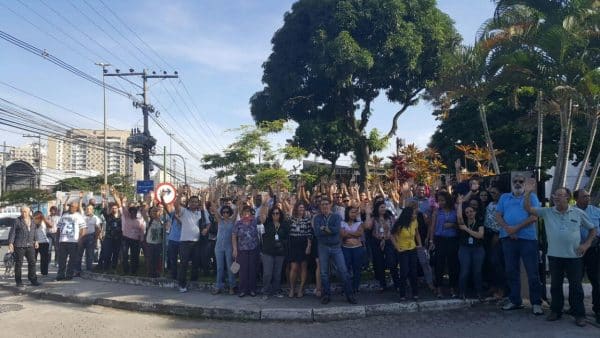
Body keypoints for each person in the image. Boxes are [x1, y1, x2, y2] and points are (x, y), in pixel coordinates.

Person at [524, 184, 596, 327]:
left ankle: (579, 314)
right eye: (555, 195)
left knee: (575, 286)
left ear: (568, 197)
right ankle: (556, 311)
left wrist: (586, 245)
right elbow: (527, 208)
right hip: (555, 256)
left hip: (574, 257)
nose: (556, 197)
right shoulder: (547, 212)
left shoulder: (577, 213)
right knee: (555, 285)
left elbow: (593, 230)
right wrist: (528, 193)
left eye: (560, 195)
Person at [495, 173, 543, 315]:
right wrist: (508, 229)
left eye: (520, 181)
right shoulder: (504, 197)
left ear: (524, 183)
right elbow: (498, 215)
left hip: (527, 239)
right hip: (508, 238)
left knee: (532, 272)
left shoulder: (531, 197)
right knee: (511, 271)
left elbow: (534, 217)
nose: (517, 183)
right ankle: (515, 300)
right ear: (512, 183)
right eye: (515, 181)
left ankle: (536, 303)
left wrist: (515, 228)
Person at [313, 197, 356, 305]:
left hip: (336, 247)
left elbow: (336, 230)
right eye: (322, 204)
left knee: (343, 271)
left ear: (330, 205)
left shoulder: (336, 217)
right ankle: (326, 294)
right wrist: (328, 230)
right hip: (323, 247)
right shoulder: (317, 218)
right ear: (320, 206)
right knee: (324, 272)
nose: (324, 206)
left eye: (326, 204)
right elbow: (317, 232)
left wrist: (325, 229)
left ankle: (349, 295)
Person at [573, 189, 600, 324]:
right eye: (584, 196)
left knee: (597, 281)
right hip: (576, 250)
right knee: (576, 281)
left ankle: (598, 310)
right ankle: (578, 311)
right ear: (576, 198)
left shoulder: (596, 211)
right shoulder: (570, 211)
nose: (588, 198)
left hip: (594, 250)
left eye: (589, 196)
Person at [174, 188, 207, 293]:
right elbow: (176, 205)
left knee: (196, 263)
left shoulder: (199, 213)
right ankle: (181, 284)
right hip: (185, 242)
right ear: (189, 203)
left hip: (196, 242)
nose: (194, 203)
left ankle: (193, 280)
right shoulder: (184, 211)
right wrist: (179, 194)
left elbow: (207, 221)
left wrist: (203, 197)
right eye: (192, 202)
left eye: (196, 202)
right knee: (184, 263)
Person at [365, 200, 399, 292]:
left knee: (392, 262)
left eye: (384, 207)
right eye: (381, 207)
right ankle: (382, 285)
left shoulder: (390, 217)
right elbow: (368, 227)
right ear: (377, 208)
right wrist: (368, 214)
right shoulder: (374, 218)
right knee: (379, 264)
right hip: (376, 242)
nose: (384, 209)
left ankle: (397, 284)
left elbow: (395, 229)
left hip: (388, 241)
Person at [430, 191, 459, 298]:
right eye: (439, 200)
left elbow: (460, 223)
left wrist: (452, 224)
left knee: (453, 265)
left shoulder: (454, 210)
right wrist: (431, 241)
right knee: (439, 265)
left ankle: (452, 288)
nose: (441, 202)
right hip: (440, 240)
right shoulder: (437, 212)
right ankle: (439, 289)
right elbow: (432, 227)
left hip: (452, 240)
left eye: (443, 200)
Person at [456, 195, 485, 300]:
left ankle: (479, 293)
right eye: (467, 212)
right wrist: (460, 203)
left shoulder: (479, 222)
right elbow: (459, 216)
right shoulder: (462, 222)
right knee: (465, 270)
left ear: (475, 212)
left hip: (478, 249)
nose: (469, 213)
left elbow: (480, 235)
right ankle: (462, 292)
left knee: (477, 271)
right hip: (464, 249)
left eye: (471, 211)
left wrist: (467, 230)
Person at [391, 206, 421, 300]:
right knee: (404, 271)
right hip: (403, 249)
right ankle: (402, 294)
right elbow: (392, 235)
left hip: (412, 248)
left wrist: (419, 244)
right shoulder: (400, 224)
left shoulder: (415, 222)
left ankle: (415, 293)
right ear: (408, 214)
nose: (415, 215)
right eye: (414, 213)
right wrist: (397, 247)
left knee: (413, 271)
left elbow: (417, 233)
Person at [260, 204, 290, 298]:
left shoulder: (284, 224)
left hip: (280, 252)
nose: (275, 215)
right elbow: (262, 216)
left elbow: (287, 237)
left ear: (280, 214)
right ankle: (266, 292)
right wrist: (264, 203)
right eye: (273, 213)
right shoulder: (267, 223)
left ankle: (276, 290)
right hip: (268, 252)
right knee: (267, 273)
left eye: (277, 213)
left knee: (277, 273)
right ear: (271, 214)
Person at [286, 201, 314, 298]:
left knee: (303, 267)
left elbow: (310, 234)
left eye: (303, 208)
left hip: (304, 244)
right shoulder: (291, 219)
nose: (301, 210)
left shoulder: (307, 220)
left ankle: (301, 289)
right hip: (294, 244)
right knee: (294, 268)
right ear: (296, 209)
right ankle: (292, 288)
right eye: (300, 208)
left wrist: (309, 246)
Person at [114, 192, 146, 276]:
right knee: (125, 255)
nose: (132, 214)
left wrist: (142, 240)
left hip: (135, 240)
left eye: (134, 213)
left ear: (136, 213)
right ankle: (125, 270)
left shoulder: (139, 220)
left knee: (134, 256)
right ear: (129, 212)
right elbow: (120, 205)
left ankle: (134, 271)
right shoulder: (126, 215)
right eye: (131, 212)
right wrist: (116, 196)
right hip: (126, 238)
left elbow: (142, 230)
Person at [7, 206, 40, 287]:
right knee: (19, 264)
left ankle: (33, 279)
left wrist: (36, 241)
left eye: (25, 211)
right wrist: (10, 243)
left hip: (30, 245)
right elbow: (12, 232)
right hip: (19, 245)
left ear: (29, 212)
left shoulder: (32, 220)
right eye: (22, 211)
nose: (23, 213)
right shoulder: (17, 220)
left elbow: (34, 231)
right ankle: (18, 281)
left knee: (32, 262)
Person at [232, 205, 260, 297]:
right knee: (243, 271)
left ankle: (252, 289)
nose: (246, 213)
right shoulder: (238, 223)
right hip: (242, 250)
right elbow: (234, 236)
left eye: (248, 212)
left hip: (253, 249)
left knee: (252, 270)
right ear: (242, 213)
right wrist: (235, 249)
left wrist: (264, 204)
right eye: (244, 212)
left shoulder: (255, 221)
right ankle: (242, 290)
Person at [483, 186, 506, 300]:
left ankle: (501, 289)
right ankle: (493, 285)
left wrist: (498, 234)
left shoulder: (504, 204)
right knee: (490, 262)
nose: (493, 194)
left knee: (497, 262)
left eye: (495, 192)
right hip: (488, 234)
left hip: (498, 235)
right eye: (491, 192)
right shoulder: (490, 203)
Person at [56, 201, 86, 281]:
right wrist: (58, 239)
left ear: (76, 208)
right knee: (62, 259)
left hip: (73, 241)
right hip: (63, 241)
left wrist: (80, 240)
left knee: (72, 259)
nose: (70, 208)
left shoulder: (79, 216)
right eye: (70, 206)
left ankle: (69, 275)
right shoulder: (64, 215)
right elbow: (59, 228)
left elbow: (83, 229)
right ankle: (60, 275)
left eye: (72, 206)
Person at [211, 203, 237, 295]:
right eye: (224, 212)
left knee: (231, 267)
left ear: (230, 213)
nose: (225, 213)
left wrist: (239, 201)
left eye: (227, 212)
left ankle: (232, 286)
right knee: (219, 267)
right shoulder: (220, 221)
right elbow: (214, 209)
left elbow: (237, 210)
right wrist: (211, 198)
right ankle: (218, 286)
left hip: (229, 246)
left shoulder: (232, 221)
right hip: (218, 247)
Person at [341, 205, 365, 294]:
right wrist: (354, 234)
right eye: (352, 212)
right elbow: (342, 234)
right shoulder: (342, 223)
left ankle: (355, 287)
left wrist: (348, 233)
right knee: (345, 269)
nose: (353, 214)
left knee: (357, 269)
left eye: (355, 212)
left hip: (357, 249)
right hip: (346, 249)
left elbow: (360, 234)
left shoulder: (360, 223)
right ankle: (346, 287)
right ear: (347, 213)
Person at [76, 204, 101, 274]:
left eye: (90, 209)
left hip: (91, 237)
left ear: (93, 210)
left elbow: (98, 229)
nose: (88, 210)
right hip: (81, 236)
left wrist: (96, 239)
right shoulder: (82, 217)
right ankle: (77, 270)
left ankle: (89, 270)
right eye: (87, 209)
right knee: (79, 254)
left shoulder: (96, 218)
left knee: (89, 254)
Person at [100, 199, 122, 271]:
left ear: (118, 208)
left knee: (116, 254)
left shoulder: (121, 217)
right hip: (108, 238)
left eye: (115, 208)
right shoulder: (108, 216)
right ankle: (106, 268)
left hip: (118, 238)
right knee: (107, 254)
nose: (114, 209)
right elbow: (103, 210)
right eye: (112, 208)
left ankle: (113, 268)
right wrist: (104, 199)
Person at [144, 206, 165, 278]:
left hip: (158, 243)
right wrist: (148, 202)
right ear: (150, 213)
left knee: (157, 259)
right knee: (150, 259)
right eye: (154, 211)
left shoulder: (162, 221)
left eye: (157, 211)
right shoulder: (149, 220)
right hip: (150, 243)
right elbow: (143, 212)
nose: (155, 213)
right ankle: (150, 274)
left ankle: (157, 273)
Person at [32, 211, 50, 276]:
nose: (37, 217)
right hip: (34, 242)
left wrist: (44, 219)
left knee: (44, 259)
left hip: (44, 242)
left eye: (38, 216)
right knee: (33, 258)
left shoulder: (44, 221)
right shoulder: (32, 222)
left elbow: (51, 226)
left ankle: (44, 272)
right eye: (35, 216)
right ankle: (32, 272)